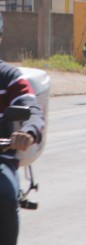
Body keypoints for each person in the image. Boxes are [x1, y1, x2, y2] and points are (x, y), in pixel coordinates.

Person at [0, 25, 44, 245]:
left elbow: (32, 109)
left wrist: (27, 132)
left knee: (4, 196)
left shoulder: (9, 77)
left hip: (1, 159)